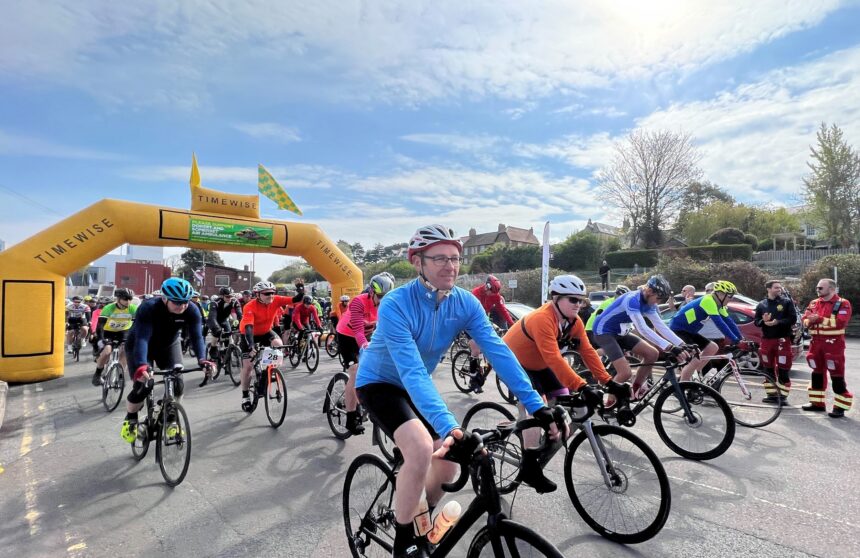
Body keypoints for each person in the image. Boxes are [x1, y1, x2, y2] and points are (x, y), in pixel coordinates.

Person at [355, 224, 563, 558]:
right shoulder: (396, 304)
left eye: (454, 258)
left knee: (449, 465)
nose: (450, 266)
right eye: (439, 258)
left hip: (415, 384)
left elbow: (497, 350)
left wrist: (535, 405)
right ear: (417, 262)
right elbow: (409, 370)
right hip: (379, 383)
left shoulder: (465, 303)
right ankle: (403, 540)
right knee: (422, 448)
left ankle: (418, 516)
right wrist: (449, 426)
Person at [503, 274, 627, 416]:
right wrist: (582, 387)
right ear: (556, 298)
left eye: (581, 301)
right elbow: (554, 358)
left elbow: (587, 351)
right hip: (513, 362)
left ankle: (555, 437)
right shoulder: (542, 319)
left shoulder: (574, 321)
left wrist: (608, 382)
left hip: (539, 365)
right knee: (538, 409)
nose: (578, 305)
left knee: (568, 403)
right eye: (573, 299)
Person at [119, 278, 213, 443]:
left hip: (168, 344)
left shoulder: (192, 309)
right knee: (144, 385)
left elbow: (197, 337)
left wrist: (203, 359)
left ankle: (170, 418)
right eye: (177, 302)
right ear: (164, 298)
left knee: (178, 382)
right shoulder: (149, 307)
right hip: (141, 344)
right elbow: (142, 338)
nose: (182, 306)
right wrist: (142, 366)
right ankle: (131, 419)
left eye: (185, 302)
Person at [592, 275, 690, 399]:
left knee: (652, 354)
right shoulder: (632, 299)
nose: (658, 302)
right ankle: (609, 405)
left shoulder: (649, 303)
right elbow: (642, 329)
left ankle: (636, 389)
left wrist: (681, 344)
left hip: (620, 332)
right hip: (604, 331)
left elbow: (660, 326)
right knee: (625, 373)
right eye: (658, 298)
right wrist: (670, 347)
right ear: (649, 291)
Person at [335, 273, 395, 434]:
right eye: (380, 296)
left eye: (386, 296)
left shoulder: (388, 305)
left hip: (367, 335)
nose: (383, 300)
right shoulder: (358, 302)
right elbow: (358, 332)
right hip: (347, 336)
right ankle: (351, 416)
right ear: (371, 292)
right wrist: (365, 347)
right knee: (355, 370)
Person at [669, 280, 746, 382]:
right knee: (695, 358)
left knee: (712, 347)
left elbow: (729, 322)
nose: (731, 299)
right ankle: (684, 386)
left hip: (690, 331)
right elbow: (720, 323)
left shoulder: (719, 304)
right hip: (678, 329)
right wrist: (735, 340)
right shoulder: (708, 300)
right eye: (730, 296)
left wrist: (741, 339)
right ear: (720, 294)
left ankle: (692, 375)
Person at [237, 281, 293, 411]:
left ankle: (268, 371)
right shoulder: (250, 306)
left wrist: (300, 289)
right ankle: (245, 395)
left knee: (278, 345)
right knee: (248, 367)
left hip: (265, 331)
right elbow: (249, 327)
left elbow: (295, 299)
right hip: (249, 334)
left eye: (273, 293)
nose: (271, 295)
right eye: (267, 293)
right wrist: (251, 346)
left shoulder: (275, 301)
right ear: (258, 295)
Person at [802, 278, 853, 418]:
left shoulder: (843, 303)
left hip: (833, 346)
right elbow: (805, 320)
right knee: (816, 374)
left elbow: (841, 323)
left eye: (820, 288)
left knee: (837, 376)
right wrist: (809, 321)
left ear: (831, 289)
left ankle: (840, 407)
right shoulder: (813, 303)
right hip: (815, 345)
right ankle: (817, 404)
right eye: (817, 288)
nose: (817, 290)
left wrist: (819, 319)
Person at [465, 274, 516, 392]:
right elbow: (473, 312)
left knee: (491, 345)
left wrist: (513, 325)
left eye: (495, 293)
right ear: (487, 287)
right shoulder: (476, 293)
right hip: (469, 322)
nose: (493, 295)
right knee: (476, 350)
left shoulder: (495, 296)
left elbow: (503, 311)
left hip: (483, 322)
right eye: (491, 292)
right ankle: (472, 379)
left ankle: (482, 368)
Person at [754, 280, 797, 405]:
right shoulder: (761, 304)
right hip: (766, 341)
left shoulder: (787, 302)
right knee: (768, 369)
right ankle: (771, 395)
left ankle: (783, 397)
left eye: (780, 287)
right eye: (776, 287)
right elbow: (756, 321)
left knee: (783, 369)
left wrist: (777, 322)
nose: (779, 289)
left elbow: (792, 319)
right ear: (768, 289)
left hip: (782, 340)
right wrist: (764, 321)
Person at [91, 288, 138, 385]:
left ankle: (120, 375)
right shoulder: (109, 308)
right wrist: (102, 339)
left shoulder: (133, 308)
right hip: (108, 332)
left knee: (125, 350)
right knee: (107, 351)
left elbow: (136, 325)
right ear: (118, 299)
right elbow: (100, 326)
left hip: (124, 332)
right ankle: (97, 374)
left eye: (130, 299)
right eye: (125, 299)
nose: (128, 302)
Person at [205, 287, 243, 357]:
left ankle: (227, 355)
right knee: (217, 332)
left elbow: (240, 314)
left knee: (229, 335)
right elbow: (212, 317)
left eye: (231, 296)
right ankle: (213, 347)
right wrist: (216, 328)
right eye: (227, 296)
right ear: (222, 296)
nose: (230, 298)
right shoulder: (215, 302)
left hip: (224, 320)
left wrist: (242, 324)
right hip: (214, 319)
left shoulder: (234, 301)